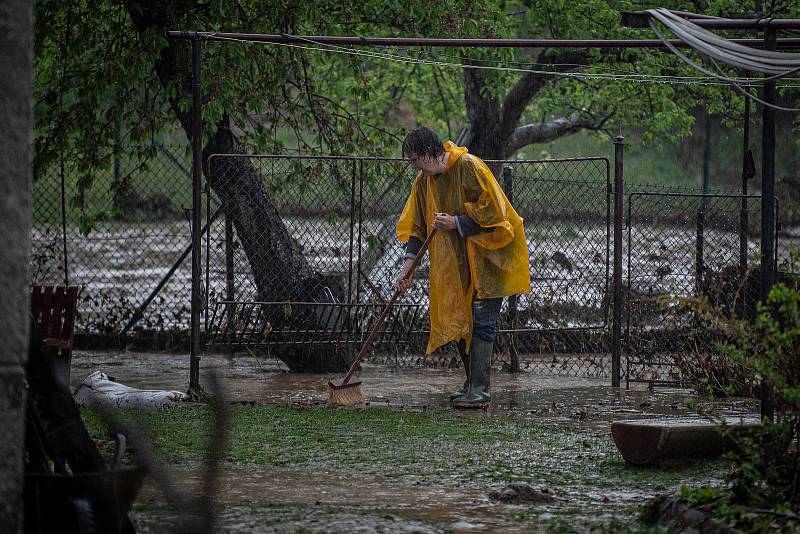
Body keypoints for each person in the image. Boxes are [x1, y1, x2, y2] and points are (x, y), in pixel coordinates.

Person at [395, 126, 531, 408]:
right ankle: (471, 386)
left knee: (482, 321)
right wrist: (406, 269)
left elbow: (496, 213)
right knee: (460, 319)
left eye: (414, 159)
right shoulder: (423, 183)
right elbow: (417, 230)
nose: (413, 166)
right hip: (458, 267)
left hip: (490, 258)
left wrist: (456, 223)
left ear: (428, 153)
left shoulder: (469, 166)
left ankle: (480, 390)